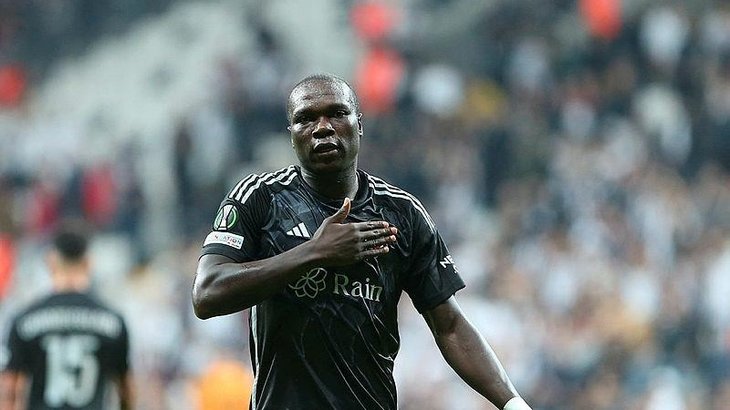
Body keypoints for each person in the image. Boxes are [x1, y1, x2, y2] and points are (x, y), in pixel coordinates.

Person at [192, 73, 531, 410]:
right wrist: (314, 252)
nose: (322, 127)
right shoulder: (259, 198)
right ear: (292, 135)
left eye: (337, 113)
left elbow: (450, 326)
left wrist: (512, 403)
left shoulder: (402, 213)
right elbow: (207, 293)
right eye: (306, 119)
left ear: (359, 124)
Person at [0, 223, 133, 410]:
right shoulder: (113, 322)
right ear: (88, 263)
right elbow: (125, 389)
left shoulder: (24, 320)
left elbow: (11, 389)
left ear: (51, 262)